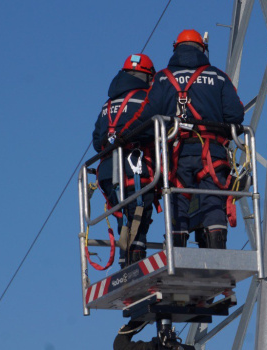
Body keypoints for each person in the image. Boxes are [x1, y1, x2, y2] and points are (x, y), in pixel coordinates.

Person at [134, 29, 244, 249]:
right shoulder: (219, 76)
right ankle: (216, 252)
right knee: (213, 200)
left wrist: (130, 138)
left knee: (176, 199)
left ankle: (177, 250)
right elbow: (236, 115)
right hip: (212, 152)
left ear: (176, 48)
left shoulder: (163, 78)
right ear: (202, 49)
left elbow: (146, 116)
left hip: (177, 152)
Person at [92, 53, 157, 268]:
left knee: (124, 218)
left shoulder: (107, 105)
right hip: (134, 167)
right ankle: (134, 266)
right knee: (140, 212)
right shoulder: (147, 99)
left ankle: (125, 264)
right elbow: (155, 130)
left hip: (108, 171)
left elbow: (96, 141)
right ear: (147, 76)